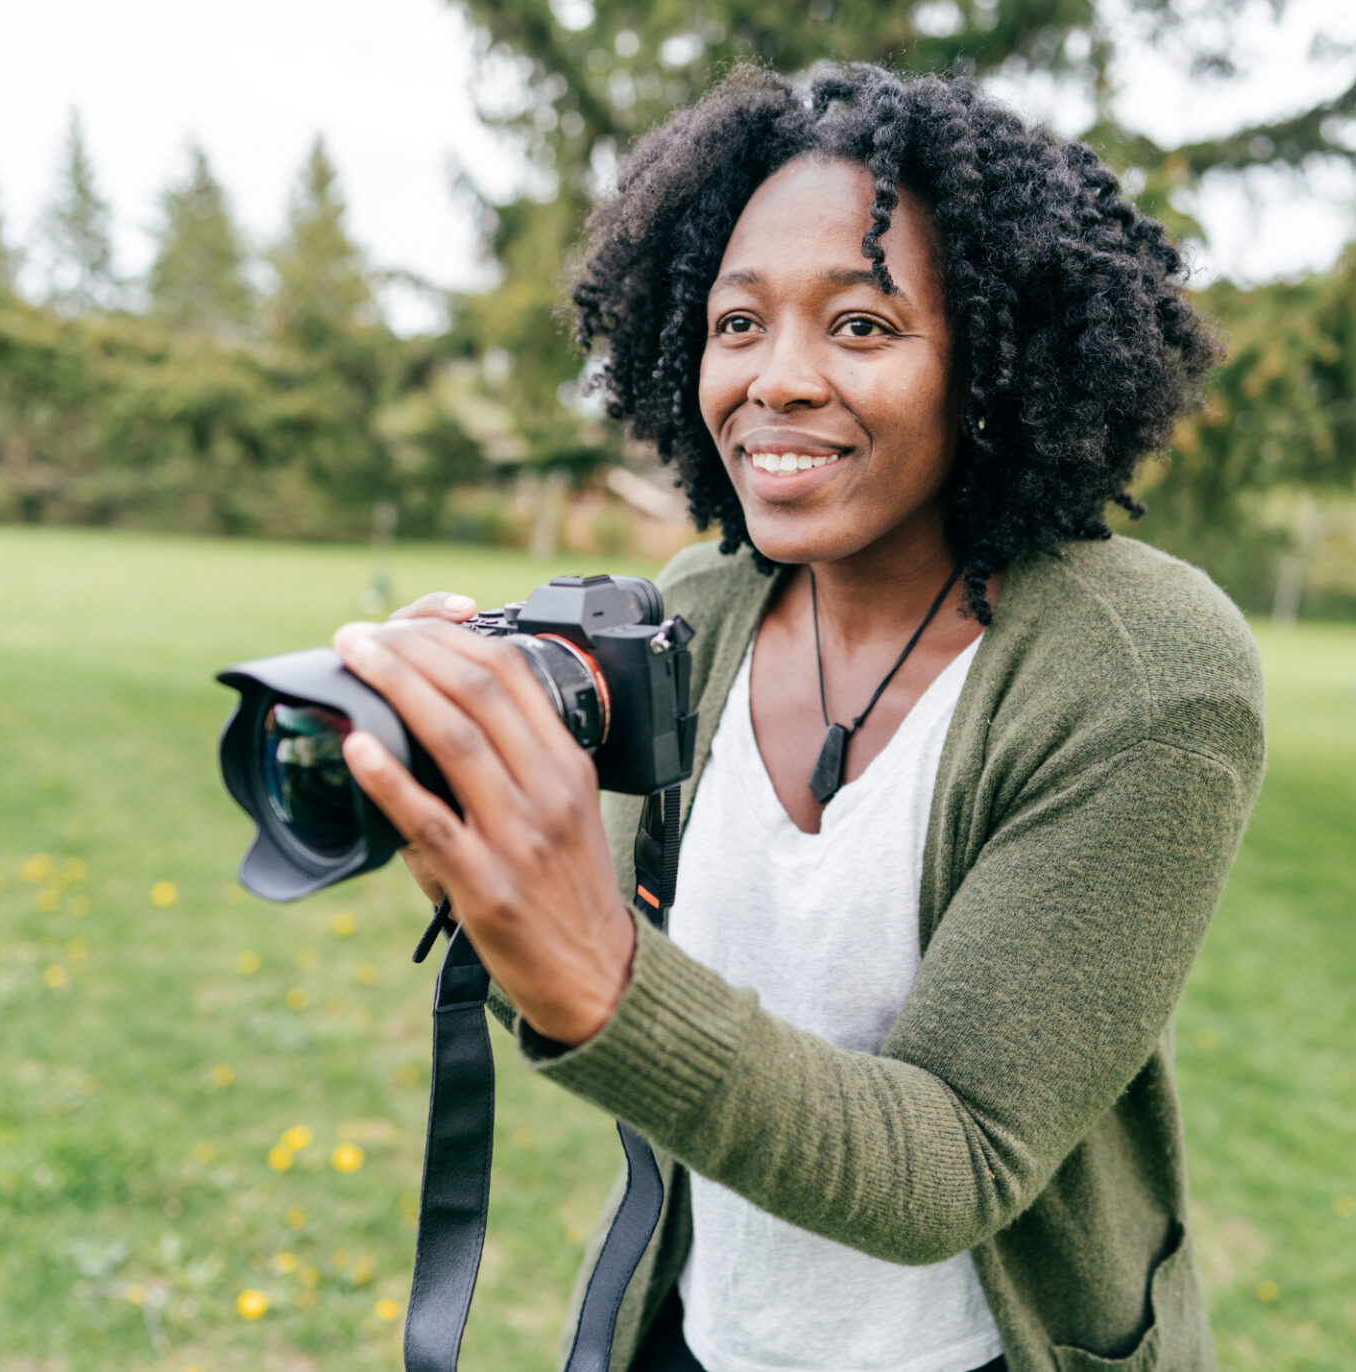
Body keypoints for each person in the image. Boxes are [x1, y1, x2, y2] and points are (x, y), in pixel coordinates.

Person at [333, 62, 1263, 1372]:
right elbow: (635, 971)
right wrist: (480, 845)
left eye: (863, 327)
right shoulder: (697, 609)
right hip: (699, 1331)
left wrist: (593, 967)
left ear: (996, 363)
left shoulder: (1142, 669)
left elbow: (961, 1157)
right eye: (736, 323)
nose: (775, 381)